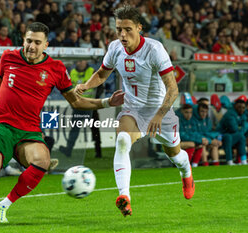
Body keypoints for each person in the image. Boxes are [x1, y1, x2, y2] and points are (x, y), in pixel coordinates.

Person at [0, 22, 124, 225]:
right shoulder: (9, 57)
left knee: (42, 162)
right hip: (0, 124)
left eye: (37, 42)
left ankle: (3, 205)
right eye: (28, 41)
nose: (31, 46)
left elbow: (76, 101)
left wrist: (106, 102)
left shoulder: (56, 69)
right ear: (23, 40)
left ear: (46, 45)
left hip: (29, 130)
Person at [75, 6, 194, 217]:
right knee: (121, 140)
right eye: (118, 29)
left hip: (160, 111)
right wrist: (86, 85)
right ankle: (124, 197)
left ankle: (186, 172)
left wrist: (159, 115)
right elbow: (103, 73)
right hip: (133, 109)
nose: (122, 34)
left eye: (127, 29)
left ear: (139, 28)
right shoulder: (114, 48)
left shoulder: (154, 49)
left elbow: (173, 88)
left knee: (174, 155)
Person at [59, 60, 102, 158]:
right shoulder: (72, 72)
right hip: (78, 106)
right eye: (78, 61)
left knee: (94, 129)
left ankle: (98, 151)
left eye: (82, 61)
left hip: (91, 105)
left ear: (86, 61)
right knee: (74, 128)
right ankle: (68, 150)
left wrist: (94, 100)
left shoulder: (92, 71)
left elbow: (100, 87)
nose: (80, 63)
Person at [216, 99, 247, 165]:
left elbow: (245, 126)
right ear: (235, 106)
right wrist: (241, 128)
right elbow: (234, 129)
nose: (241, 109)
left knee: (241, 136)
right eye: (239, 107)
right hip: (221, 137)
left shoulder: (243, 114)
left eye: (243, 108)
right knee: (229, 136)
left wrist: (241, 128)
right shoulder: (230, 114)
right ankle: (229, 160)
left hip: (233, 136)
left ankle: (243, 160)